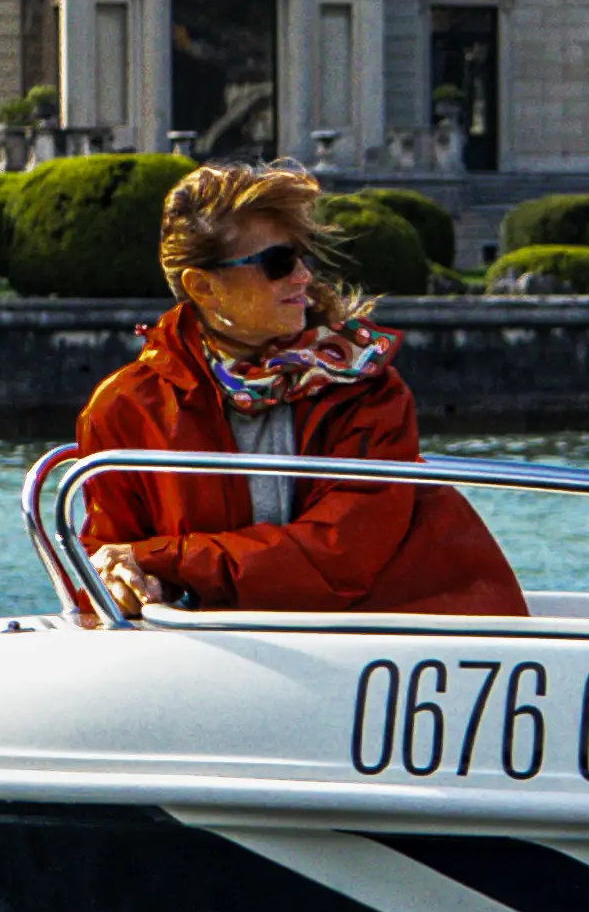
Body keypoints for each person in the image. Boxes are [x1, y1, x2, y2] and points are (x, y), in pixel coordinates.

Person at [68, 162, 524, 625]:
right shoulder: (124, 407)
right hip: (246, 649)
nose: (303, 276)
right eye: (278, 263)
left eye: (302, 257)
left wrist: (164, 558)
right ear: (203, 286)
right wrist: (121, 580)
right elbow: (107, 556)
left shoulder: (366, 388)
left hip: (428, 639)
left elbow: (340, 555)